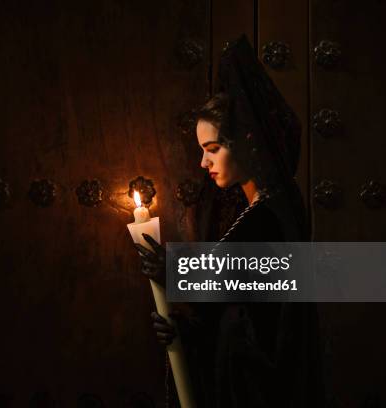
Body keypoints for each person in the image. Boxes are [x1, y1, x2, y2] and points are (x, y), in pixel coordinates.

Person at [135, 36, 323, 408]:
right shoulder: (257, 213)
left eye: (212, 149)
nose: (204, 164)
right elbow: (241, 310)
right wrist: (183, 333)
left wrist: (172, 272)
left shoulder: (268, 220)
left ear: (248, 142)